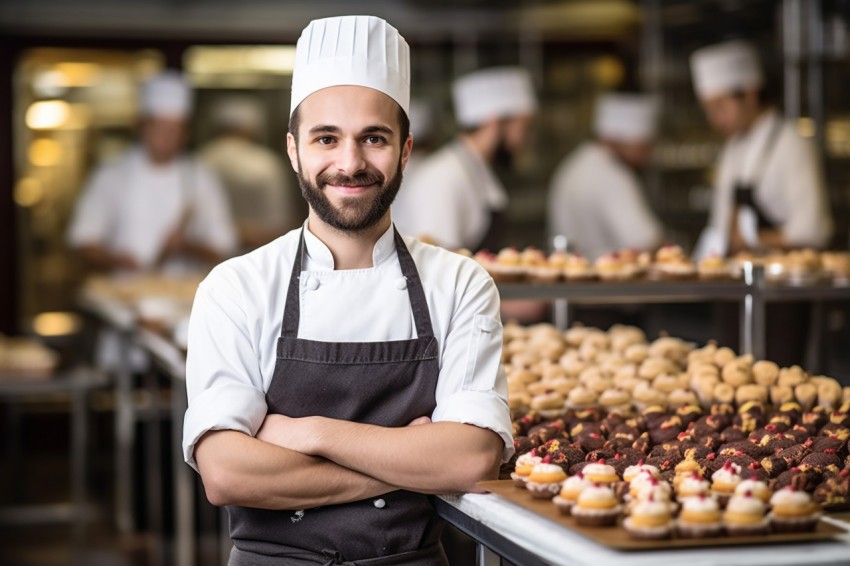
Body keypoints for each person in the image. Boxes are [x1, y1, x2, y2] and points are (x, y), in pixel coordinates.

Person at [183, 15, 512, 565]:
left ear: (405, 150)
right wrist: (407, 465)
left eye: (374, 138)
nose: (350, 163)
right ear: (293, 150)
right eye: (326, 138)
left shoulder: (460, 283)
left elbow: (472, 460)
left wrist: (310, 433)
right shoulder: (236, 287)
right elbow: (226, 474)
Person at [67, 70, 237, 274]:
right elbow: (83, 240)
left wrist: (187, 246)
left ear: (186, 133)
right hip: (122, 297)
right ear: (143, 126)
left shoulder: (201, 177)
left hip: (185, 297)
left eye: (175, 129)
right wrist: (116, 260)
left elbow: (225, 246)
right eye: (161, 128)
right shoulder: (111, 175)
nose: (168, 137)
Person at [690, 40, 833, 260]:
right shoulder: (731, 148)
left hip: (785, 283)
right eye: (707, 110)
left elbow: (813, 231)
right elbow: (720, 228)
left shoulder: (791, 143)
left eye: (719, 106)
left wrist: (751, 240)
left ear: (749, 94)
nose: (713, 119)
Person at [392, 66, 537, 251]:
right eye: (525, 127)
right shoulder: (442, 178)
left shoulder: (473, 168)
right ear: (495, 122)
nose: (526, 140)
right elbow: (437, 264)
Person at [547, 92, 664, 261]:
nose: (649, 153)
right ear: (623, 139)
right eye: (644, 145)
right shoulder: (612, 174)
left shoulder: (572, 164)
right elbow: (647, 242)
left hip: (569, 276)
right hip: (608, 280)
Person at [200, 95, 300, 251]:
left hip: (207, 258)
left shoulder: (200, 159)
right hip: (258, 257)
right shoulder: (268, 164)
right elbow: (281, 225)